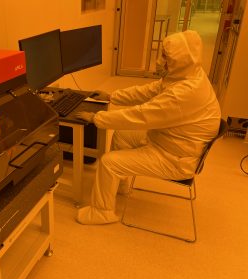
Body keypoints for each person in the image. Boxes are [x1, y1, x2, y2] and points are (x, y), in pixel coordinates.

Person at [74, 30, 221, 225]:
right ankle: (120, 183)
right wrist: (112, 96)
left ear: (180, 60)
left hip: (176, 158)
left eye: (165, 57)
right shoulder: (188, 74)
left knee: (109, 162)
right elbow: (148, 91)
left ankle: (103, 212)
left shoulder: (183, 94)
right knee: (122, 136)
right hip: (172, 140)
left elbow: (140, 116)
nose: (160, 61)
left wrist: (96, 118)